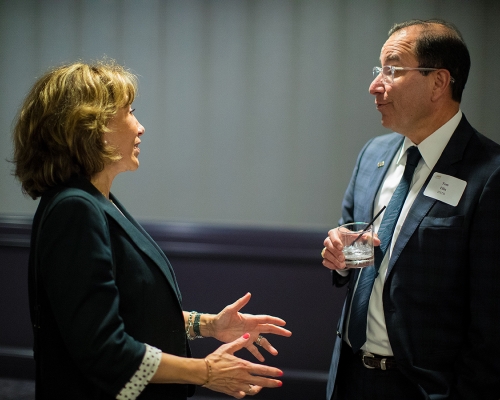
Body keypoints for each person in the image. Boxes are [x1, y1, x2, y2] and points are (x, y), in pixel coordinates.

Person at [11, 60, 292, 400]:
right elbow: (103, 348)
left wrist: (209, 325)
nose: (140, 127)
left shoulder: (96, 201)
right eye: (129, 112)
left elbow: (133, 313)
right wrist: (206, 372)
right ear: (91, 127)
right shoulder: (75, 208)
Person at [321, 19, 500, 400]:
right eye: (378, 70)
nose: (375, 85)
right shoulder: (373, 155)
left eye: (392, 70)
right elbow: (352, 253)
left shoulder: (490, 175)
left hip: (425, 388)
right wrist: (339, 252)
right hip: (349, 375)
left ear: (438, 82)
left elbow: (491, 323)